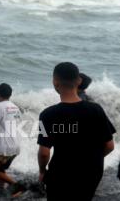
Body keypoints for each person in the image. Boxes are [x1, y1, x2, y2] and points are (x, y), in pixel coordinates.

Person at [38, 62, 116, 201]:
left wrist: (42, 171)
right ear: (78, 81)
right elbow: (109, 146)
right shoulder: (96, 110)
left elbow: (44, 153)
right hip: (91, 174)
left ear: (55, 82)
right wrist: (89, 162)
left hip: (60, 175)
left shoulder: (47, 115)